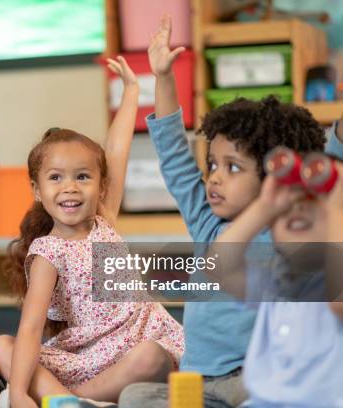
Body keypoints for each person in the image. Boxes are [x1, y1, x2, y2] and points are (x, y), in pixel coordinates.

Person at [119, 16, 343, 408]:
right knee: (135, 397)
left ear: (274, 174)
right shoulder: (207, 221)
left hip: (250, 377)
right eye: (213, 165)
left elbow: (329, 169)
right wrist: (165, 77)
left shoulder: (286, 230)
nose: (215, 178)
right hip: (195, 381)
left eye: (233, 167)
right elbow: (173, 155)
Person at [0, 56, 184, 408]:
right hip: (81, 358)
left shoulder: (103, 219)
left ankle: (71, 401)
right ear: (36, 189)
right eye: (55, 177)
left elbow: (117, 151)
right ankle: (70, 399)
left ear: (100, 185)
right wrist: (17, 394)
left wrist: (131, 92)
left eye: (82, 176)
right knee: (2, 346)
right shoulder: (48, 253)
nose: (71, 188)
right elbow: (31, 329)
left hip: (135, 347)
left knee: (152, 358)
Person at [207, 153, 343, 407]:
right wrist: (265, 205)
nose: (298, 207)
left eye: (315, 203)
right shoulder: (273, 283)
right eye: (286, 209)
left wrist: (336, 205)